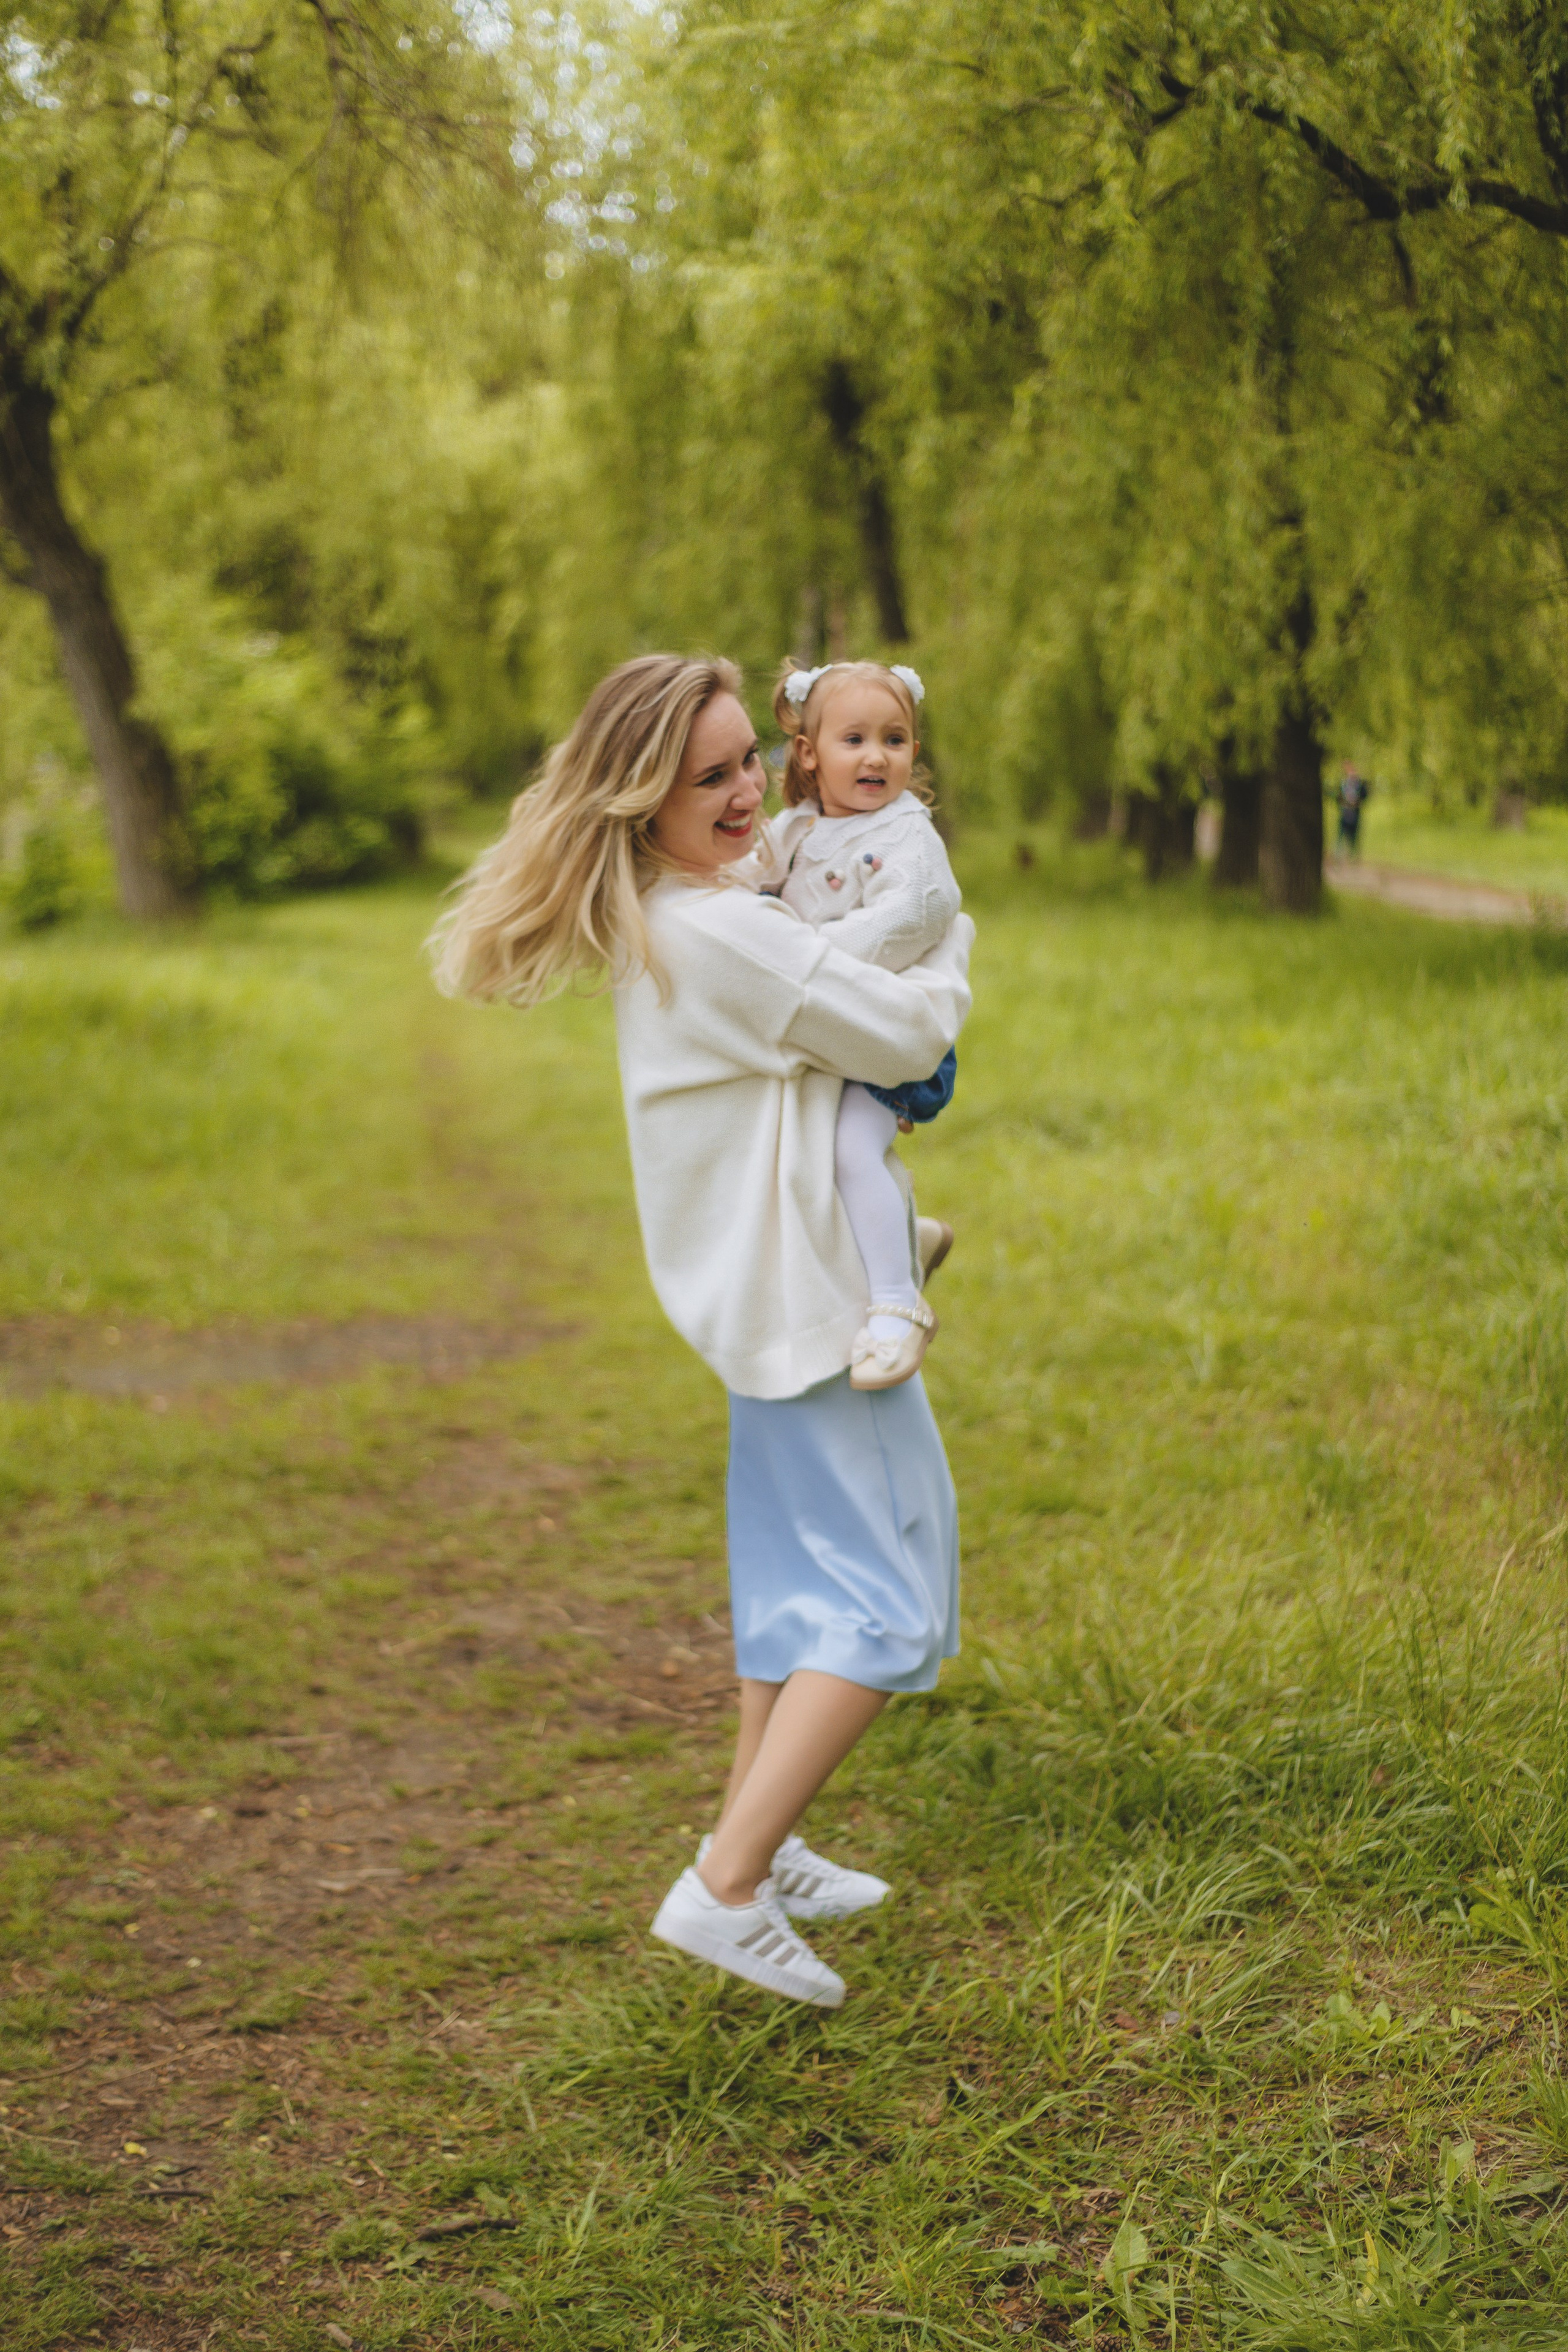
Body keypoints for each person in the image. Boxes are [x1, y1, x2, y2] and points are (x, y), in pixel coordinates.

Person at [431, 654, 973, 2011]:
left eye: (747, 761)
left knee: (795, 1593)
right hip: (803, 1307)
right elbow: (906, 1036)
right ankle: (725, 1885)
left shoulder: (689, 911)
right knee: (887, 1607)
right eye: (707, 775)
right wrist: (950, 939)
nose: (746, 792)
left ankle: (761, 1841)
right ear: (640, 798)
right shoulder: (726, 933)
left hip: (764, 1299)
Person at [754, 658, 962, 1390]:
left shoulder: (907, 836)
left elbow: (919, 915)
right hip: (830, 1024)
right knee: (807, 1156)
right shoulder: (797, 829)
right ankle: (910, 1237)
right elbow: (750, 885)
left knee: (848, 1153)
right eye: (855, 739)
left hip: (885, 1042)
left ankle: (896, 1310)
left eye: (896, 739)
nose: (877, 755)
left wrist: (806, 957)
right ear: (809, 754)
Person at [1335, 762, 1371, 855]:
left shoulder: (1359, 784)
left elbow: (1364, 795)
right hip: (1345, 812)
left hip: (1355, 812)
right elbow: (1338, 798)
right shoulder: (1344, 784)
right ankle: (1338, 853)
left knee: (1354, 834)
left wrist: (1357, 801)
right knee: (1341, 834)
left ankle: (1353, 853)